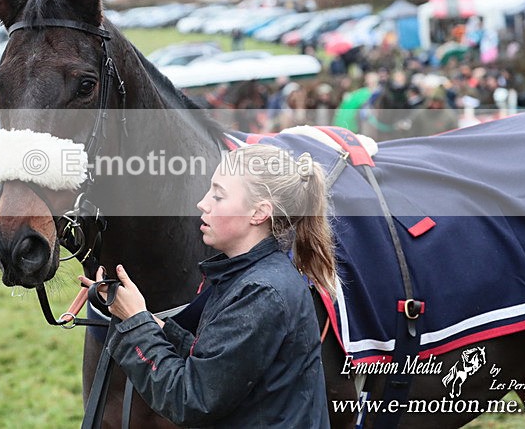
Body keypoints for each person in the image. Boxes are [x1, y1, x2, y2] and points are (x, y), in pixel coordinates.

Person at [81, 144, 335, 428]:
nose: (203, 203)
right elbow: (220, 364)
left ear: (259, 213)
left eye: (218, 195)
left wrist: (136, 323)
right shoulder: (249, 276)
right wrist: (154, 324)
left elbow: (189, 399)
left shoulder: (261, 292)